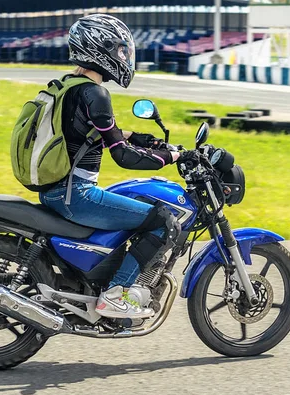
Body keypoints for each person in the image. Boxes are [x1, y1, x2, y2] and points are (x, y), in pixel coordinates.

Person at [38, 14, 181, 320]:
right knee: (162, 221)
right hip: (76, 195)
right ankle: (117, 294)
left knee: (136, 212)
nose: (124, 56)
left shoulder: (67, 86)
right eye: (120, 50)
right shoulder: (96, 93)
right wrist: (170, 158)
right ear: (100, 49)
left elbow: (87, 136)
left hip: (55, 191)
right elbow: (123, 157)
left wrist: (141, 138)